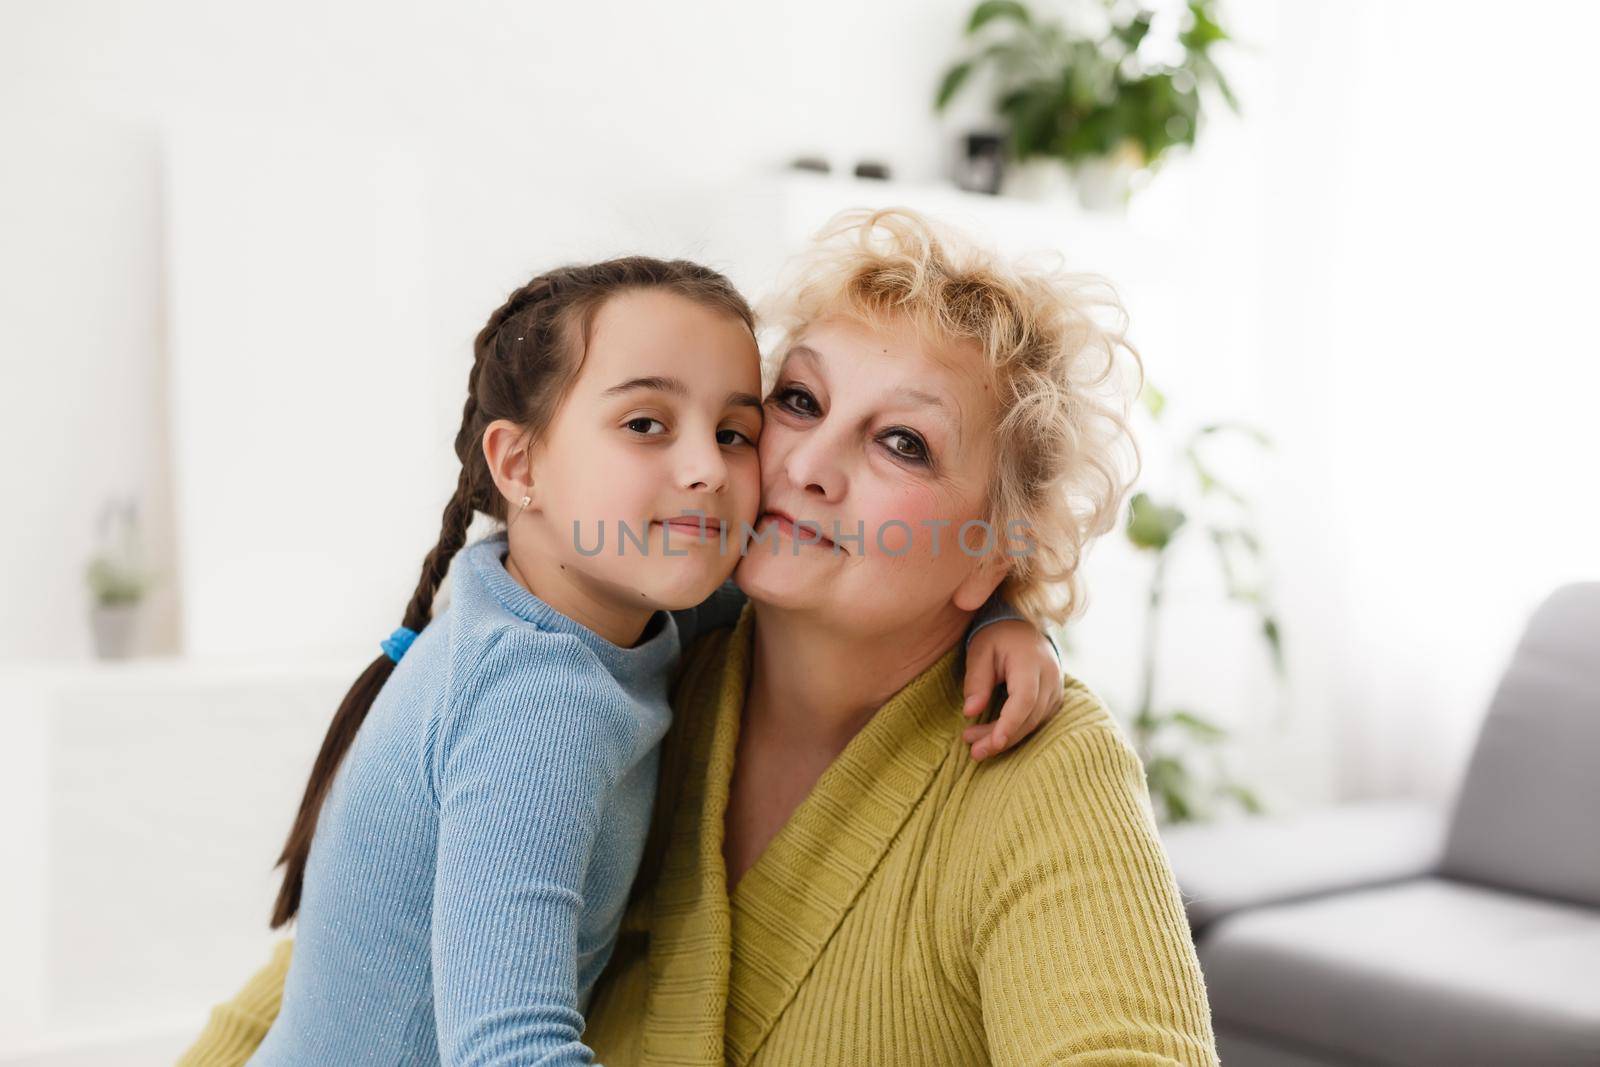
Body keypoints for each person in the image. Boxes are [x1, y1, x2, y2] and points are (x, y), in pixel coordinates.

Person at [181, 208, 1217, 1065]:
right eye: (798, 400)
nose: (804, 461)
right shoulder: (644, 645)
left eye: (902, 440)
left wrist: (1010, 616)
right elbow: (362, 947)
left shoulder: (1038, 768)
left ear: (995, 548)